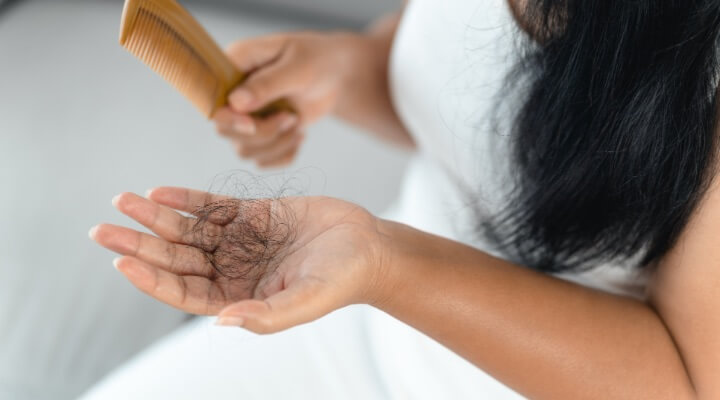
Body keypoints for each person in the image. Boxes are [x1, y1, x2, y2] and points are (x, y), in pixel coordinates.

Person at [84, 0, 720, 398]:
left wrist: (388, 263)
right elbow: (474, 109)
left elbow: (688, 384)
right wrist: (345, 67)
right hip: (363, 315)